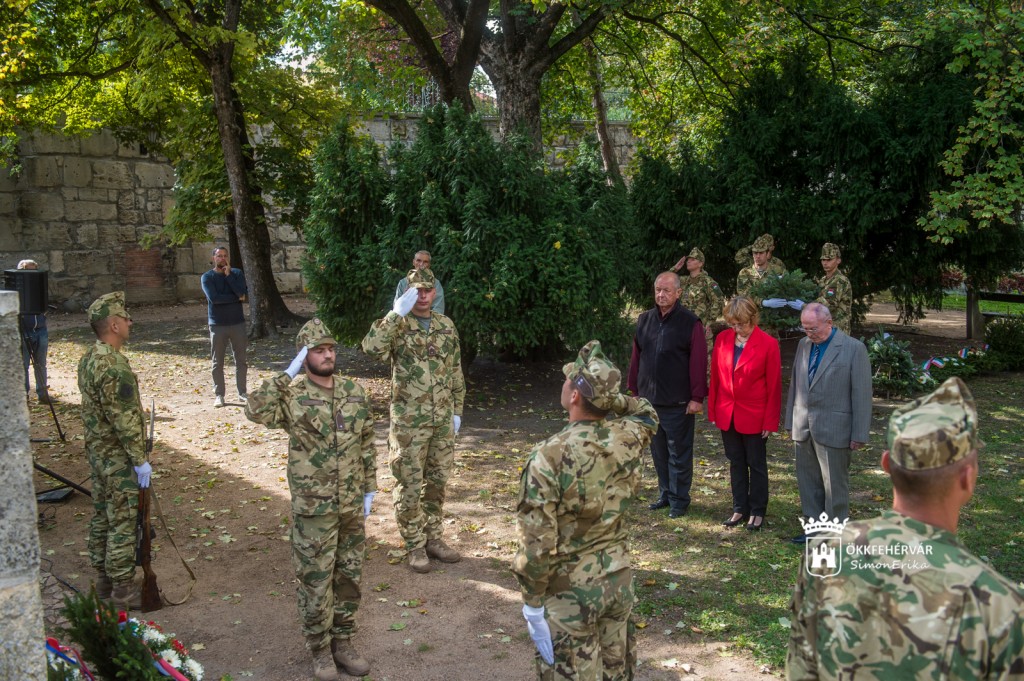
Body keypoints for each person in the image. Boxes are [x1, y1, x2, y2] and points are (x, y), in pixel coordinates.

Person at [787, 377, 1024, 680]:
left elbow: (802, 668)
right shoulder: (1001, 607)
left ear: (886, 464)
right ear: (968, 478)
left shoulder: (825, 554)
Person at [513, 340, 659, 680]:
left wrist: (532, 603)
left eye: (568, 381)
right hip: (618, 580)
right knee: (615, 672)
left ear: (575, 395)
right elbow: (646, 412)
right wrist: (610, 398)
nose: (563, 385)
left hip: (570, 593)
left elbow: (536, 545)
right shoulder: (627, 437)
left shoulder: (549, 455)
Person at [244, 318, 376, 681]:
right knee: (316, 581)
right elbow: (254, 409)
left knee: (349, 576)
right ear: (305, 356)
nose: (328, 355)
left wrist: (370, 487)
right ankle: (319, 650)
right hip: (314, 507)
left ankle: (343, 642)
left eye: (331, 349)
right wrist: (285, 375)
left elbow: (366, 442)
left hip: (351, 504)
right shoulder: (292, 397)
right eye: (318, 350)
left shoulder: (354, 391)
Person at [362, 267, 465, 572]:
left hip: (441, 419)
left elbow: (455, 370)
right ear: (408, 293)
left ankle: (433, 538)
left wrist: (457, 411)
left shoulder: (446, 325)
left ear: (435, 293)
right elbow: (371, 349)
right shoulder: (398, 325)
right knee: (408, 484)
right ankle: (414, 544)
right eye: (416, 291)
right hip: (409, 423)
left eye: (427, 290)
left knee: (437, 483)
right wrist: (395, 314)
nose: (422, 296)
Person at [77, 291, 152, 609]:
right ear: (113, 325)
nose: (130, 322)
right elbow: (124, 420)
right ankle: (122, 589)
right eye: (125, 317)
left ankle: (104, 581)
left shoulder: (90, 358)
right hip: (118, 457)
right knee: (123, 519)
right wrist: (139, 460)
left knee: (102, 515)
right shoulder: (114, 366)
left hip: (99, 454)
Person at [785, 303, 872, 543]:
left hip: (835, 427)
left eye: (813, 328)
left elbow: (862, 394)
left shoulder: (854, 348)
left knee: (834, 484)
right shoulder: (803, 345)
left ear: (829, 323)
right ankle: (813, 529)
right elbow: (796, 385)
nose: (809, 333)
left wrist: (859, 433)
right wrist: (791, 421)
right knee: (808, 480)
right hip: (803, 425)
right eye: (805, 328)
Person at [627, 271, 708, 518]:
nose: (661, 295)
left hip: (678, 401)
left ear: (678, 293)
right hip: (649, 401)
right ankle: (665, 493)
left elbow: (698, 362)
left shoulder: (690, 323)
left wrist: (697, 397)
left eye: (667, 290)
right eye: (658, 290)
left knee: (678, 454)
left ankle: (679, 500)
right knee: (658, 453)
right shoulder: (645, 320)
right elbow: (636, 357)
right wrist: (634, 391)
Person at [707, 296, 781, 532]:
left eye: (742, 324)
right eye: (733, 324)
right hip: (727, 412)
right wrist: (714, 410)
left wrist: (770, 420)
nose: (737, 328)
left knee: (756, 464)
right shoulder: (722, 339)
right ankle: (739, 507)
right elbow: (716, 377)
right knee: (735, 461)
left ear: (753, 318)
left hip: (755, 415)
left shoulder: (768, 344)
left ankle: (757, 510)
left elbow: (774, 387)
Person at [200, 246, 248, 408]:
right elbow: (214, 299)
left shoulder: (237, 274)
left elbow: (242, 293)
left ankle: (242, 393)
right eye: (219, 256)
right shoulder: (207, 277)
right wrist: (236, 298)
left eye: (225, 255)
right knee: (217, 362)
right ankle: (219, 395)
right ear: (213, 258)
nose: (222, 258)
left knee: (241, 361)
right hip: (217, 324)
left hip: (237, 323)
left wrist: (229, 276)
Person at [673, 248, 724, 351]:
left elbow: (718, 301)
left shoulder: (708, 282)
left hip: (701, 330)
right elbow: (664, 281)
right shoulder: (683, 281)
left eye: (693, 259)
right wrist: (675, 269)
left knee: (701, 359)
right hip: (682, 328)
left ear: (700, 263)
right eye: (688, 259)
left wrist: (709, 323)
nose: (688, 261)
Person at [17, 259, 50, 404]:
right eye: (29, 272)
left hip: (41, 330)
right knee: (23, 365)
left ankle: (43, 394)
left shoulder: (39, 288)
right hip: (24, 331)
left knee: (41, 363)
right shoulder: (16, 290)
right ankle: (23, 396)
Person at [814, 242, 852, 335]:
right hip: (825, 329)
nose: (825, 263)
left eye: (829, 259)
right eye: (823, 259)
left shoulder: (840, 280)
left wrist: (804, 306)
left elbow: (829, 304)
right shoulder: (823, 280)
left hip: (838, 331)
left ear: (838, 260)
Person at [394, 250, 445, 315]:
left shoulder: (436, 284)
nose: (421, 264)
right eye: (418, 260)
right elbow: (397, 307)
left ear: (429, 264)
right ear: (413, 262)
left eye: (425, 262)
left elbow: (438, 309)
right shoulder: (403, 282)